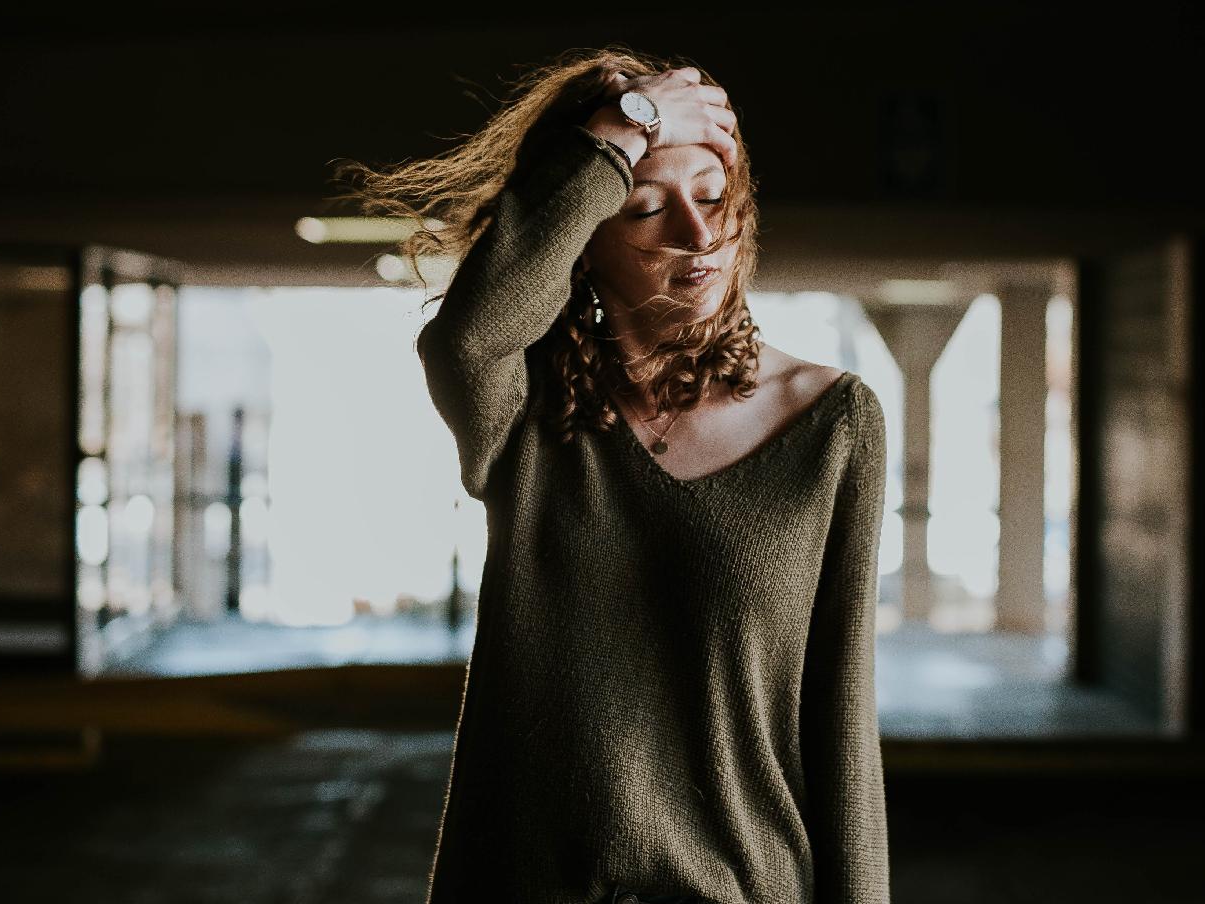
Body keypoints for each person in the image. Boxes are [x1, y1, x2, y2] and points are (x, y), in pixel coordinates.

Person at [341, 46, 890, 903]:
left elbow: (840, 721)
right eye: (643, 208)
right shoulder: (524, 422)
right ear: (581, 239)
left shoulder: (830, 424)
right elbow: (468, 335)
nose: (698, 236)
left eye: (713, 199)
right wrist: (622, 133)